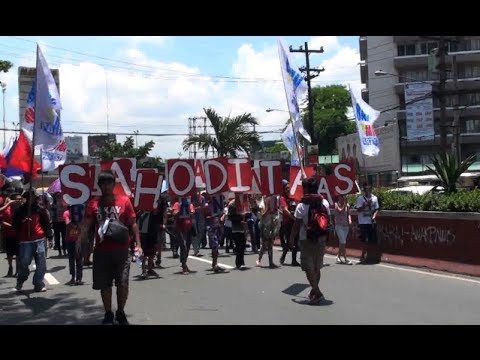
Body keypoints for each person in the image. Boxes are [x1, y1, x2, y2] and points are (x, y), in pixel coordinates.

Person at [80, 170, 141, 325]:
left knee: (123, 283)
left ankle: (120, 312)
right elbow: (87, 225)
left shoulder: (124, 201)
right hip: (101, 251)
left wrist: (138, 245)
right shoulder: (93, 204)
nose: (106, 186)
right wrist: (80, 242)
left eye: (109, 183)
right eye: (103, 184)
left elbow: (133, 223)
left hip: (122, 250)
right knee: (104, 285)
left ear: (114, 185)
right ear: (99, 186)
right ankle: (108, 313)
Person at [289, 177, 329, 305]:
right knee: (317, 267)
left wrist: (291, 239)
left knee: (308, 267)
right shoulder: (325, 203)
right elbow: (328, 221)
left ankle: (317, 292)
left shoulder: (301, 205)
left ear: (306, 189)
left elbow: (296, 225)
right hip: (321, 238)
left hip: (306, 238)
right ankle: (314, 291)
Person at [13, 189, 53, 293]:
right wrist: (23, 221)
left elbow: (47, 224)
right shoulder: (19, 210)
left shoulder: (41, 209)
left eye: (32, 196)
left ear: (35, 197)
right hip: (25, 240)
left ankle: (38, 283)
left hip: (39, 238)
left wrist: (50, 237)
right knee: (24, 262)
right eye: (28, 196)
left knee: (41, 263)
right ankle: (21, 280)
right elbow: (15, 225)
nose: (30, 198)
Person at [355, 183, 380, 263]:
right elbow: (358, 210)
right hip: (363, 222)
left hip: (371, 222)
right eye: (366, 190)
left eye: (369, 190)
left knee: (371, 239)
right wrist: (366, 204)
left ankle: (370, 255)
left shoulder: (374, 198)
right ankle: (363, 254)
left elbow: (376, 209)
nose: (367, 191)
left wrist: (374, 216)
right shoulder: (360, 199)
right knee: (363, 239)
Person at [171, 196, 195, 274]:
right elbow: (174, 213)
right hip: (180, 229)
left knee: (187, 247)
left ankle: (184, 261)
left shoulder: (190, 204)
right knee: (183, 246)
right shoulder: (177, 204)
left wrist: (187, 209)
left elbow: (192, 212)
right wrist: (180, 209)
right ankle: (184, 265)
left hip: (188, 228)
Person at [2, 193, 24, 277]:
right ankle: (10, 267)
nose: (19, 201)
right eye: (17, 199)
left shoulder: (22, 210)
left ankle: (18, 270)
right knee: (10, 253)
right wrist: (11, 226)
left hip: (19, 234)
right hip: (9, 234)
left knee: (18, 253)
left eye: (20, 199)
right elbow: (2, 221)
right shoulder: (7, 210)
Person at [256, 195, 280, 268]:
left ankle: (271, 262)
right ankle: (258, 259)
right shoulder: (262, 202)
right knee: (264, 244)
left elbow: (275, 213)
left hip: (272, 225)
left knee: (270, 244)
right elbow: (262, 215)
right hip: (264, 226)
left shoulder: (275, 199)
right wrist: (268, 208)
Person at [64, 208, 84, 285]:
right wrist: (75, 224)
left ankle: (79, 278)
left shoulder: (81, 212)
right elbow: (67, 224)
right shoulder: (67, 213)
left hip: (79, 240)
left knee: (79, 259)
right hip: (70, 241)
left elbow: (84, 224)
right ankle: (73, 277)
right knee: (71, 259)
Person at [333, 193, 352, 265]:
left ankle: (338, 256)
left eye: (343, 197)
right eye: (341, 197)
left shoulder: (347, 205)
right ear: (339, 198)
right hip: (339, 226)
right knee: (343, 242)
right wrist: (345, 204)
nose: (343, 198)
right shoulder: (336, 204)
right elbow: (340, 210)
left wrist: (350, 220)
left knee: (342, 242)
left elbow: (348, 214)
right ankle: (345, 259)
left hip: (345, 226)